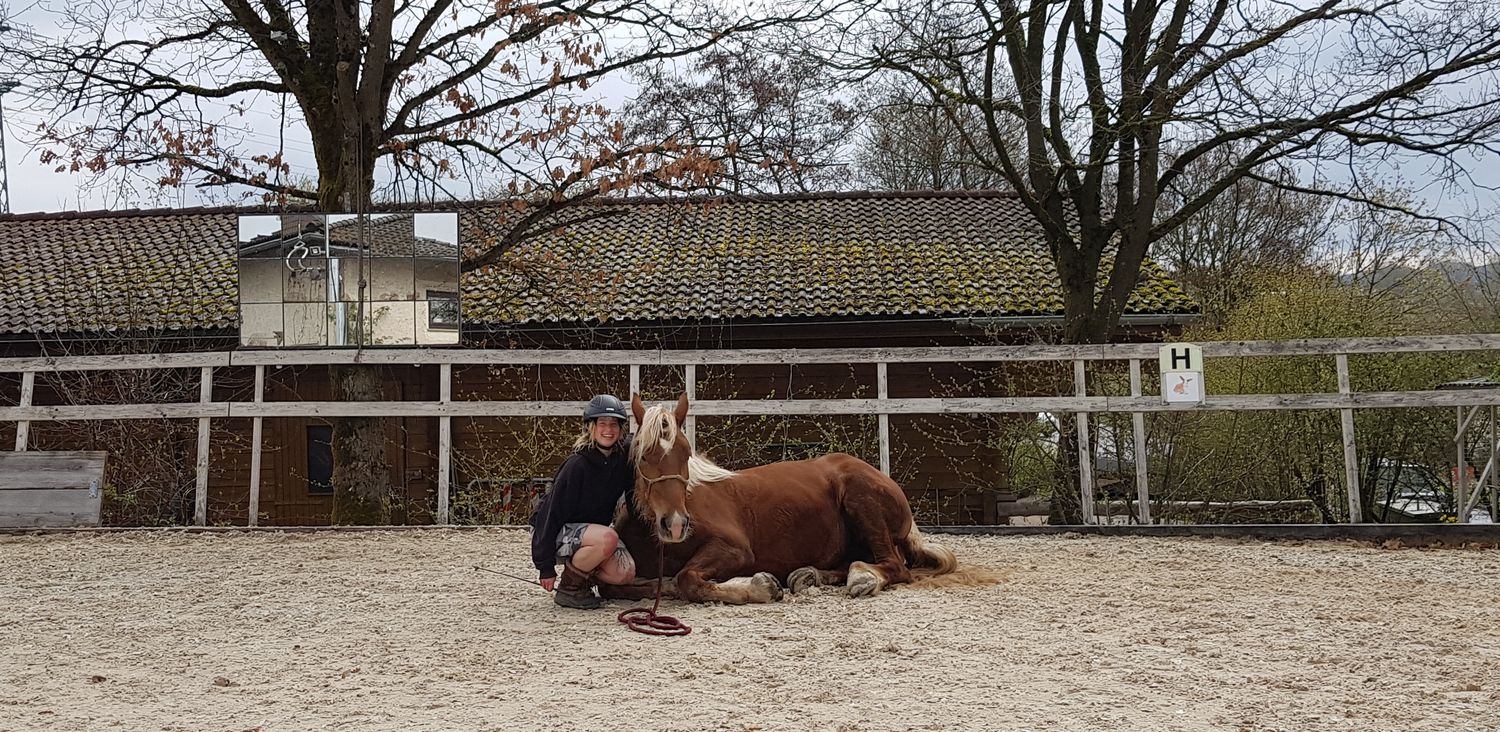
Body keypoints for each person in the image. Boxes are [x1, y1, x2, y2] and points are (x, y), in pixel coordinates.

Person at [529, 394, 638, 609]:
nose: (609, 430)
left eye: (614, 424)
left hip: (591, 534)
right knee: (608, 537)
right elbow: (551, 513)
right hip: (555, 530)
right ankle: (570, 587)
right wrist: (545, 567)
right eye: (602, 424)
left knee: (625, 572)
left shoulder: (621, 459)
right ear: (591, 427)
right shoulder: (576, 465)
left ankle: (584, 578)